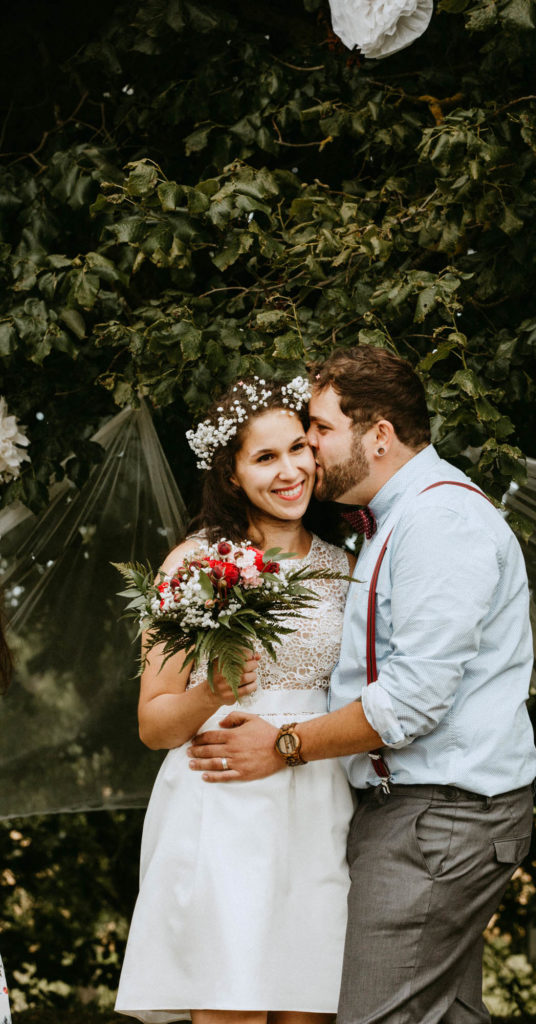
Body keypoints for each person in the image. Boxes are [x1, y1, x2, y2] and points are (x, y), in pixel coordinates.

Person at [187, 347, 536, 1024]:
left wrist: (284, 745)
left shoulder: (441, 522)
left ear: (378, 435)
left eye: (319, 429)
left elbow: (411, 700)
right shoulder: (393, 522)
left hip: (438, 819)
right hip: (415, 811)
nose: (310, 448)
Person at [115, 376, 356, 1024]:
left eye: (299, 448)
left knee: (310, 1008)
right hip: (222, 807)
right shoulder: (193, 566)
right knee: (233, 1009)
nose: (290, 471)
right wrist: (210, 694)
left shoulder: (346, 570)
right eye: (265, 457)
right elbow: (154, 724)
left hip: (320, 807)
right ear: (231, 474)